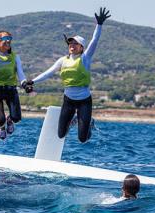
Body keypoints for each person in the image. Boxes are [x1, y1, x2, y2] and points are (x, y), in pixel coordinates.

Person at [23, 7, 111, 143]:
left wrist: (99, 25)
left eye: (76, 43)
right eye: (71, 42)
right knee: (61, 134)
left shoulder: (85, 58)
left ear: (82, 47)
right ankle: (76, 119)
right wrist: (32, 81)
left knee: (82, 139)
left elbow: (95, 40)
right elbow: (48, 72)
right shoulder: (62, 60)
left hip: (84, 101)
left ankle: (89, 124)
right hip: (68, 100)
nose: (72, 45)